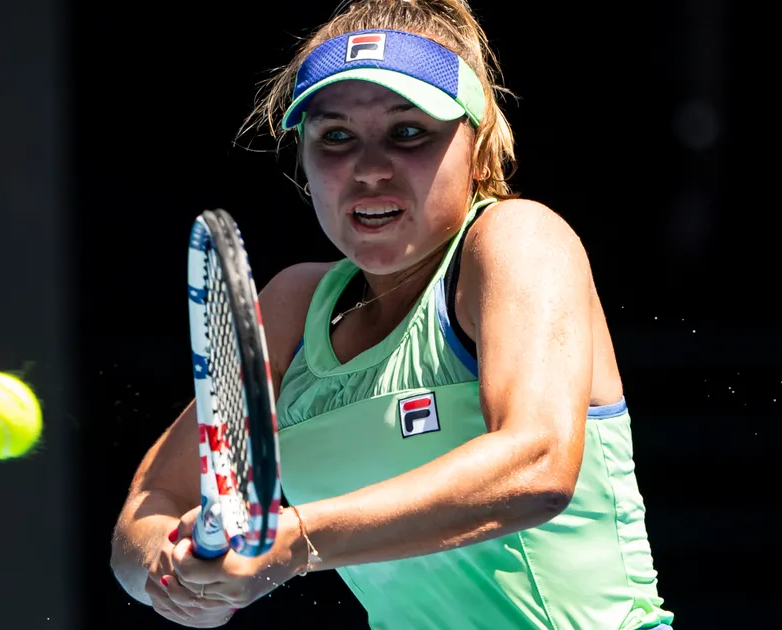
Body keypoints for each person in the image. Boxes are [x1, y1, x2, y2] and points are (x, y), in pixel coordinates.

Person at [110, 1, 675, 628]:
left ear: (478, 147)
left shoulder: (519, 240)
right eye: (336, 137)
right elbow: (150, 507)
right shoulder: (293, 305)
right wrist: (178, 575)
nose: (370, 169)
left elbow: (537, 464)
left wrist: (299, 539)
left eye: (408, 132)